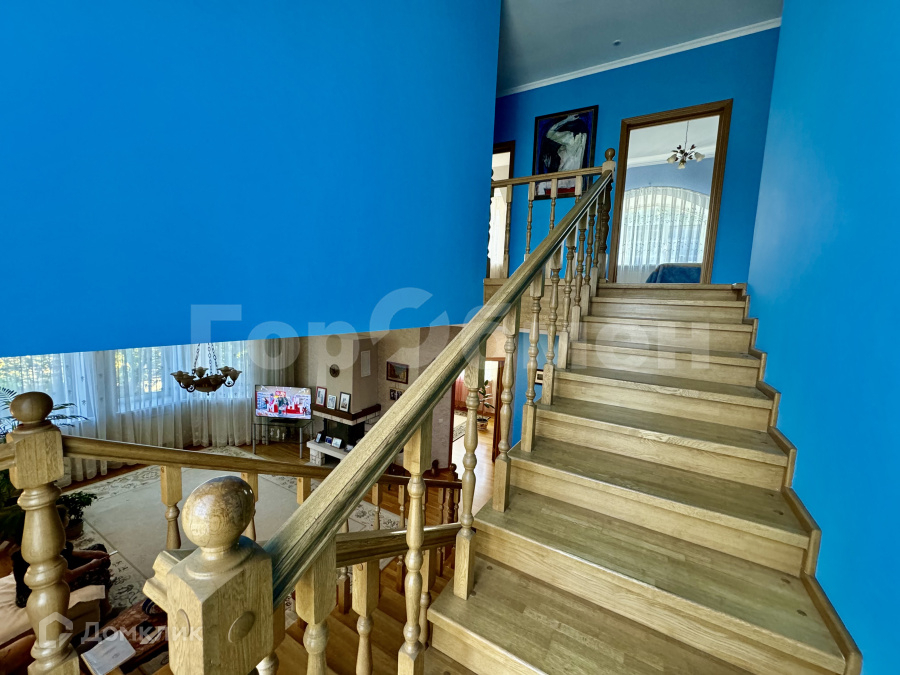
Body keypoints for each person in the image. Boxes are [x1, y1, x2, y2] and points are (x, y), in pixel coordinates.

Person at [11, 506, 112, 615]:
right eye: (66, 516)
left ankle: (102, 589)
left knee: (99, 548)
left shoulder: (49, 537)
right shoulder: (42, 550)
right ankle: (106, 610)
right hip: (36, 593)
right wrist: (92, 565)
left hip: (56, 572)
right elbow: (66, 576)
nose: (68, 517)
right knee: (100, 572)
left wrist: (93, 553)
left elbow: (68, 553)